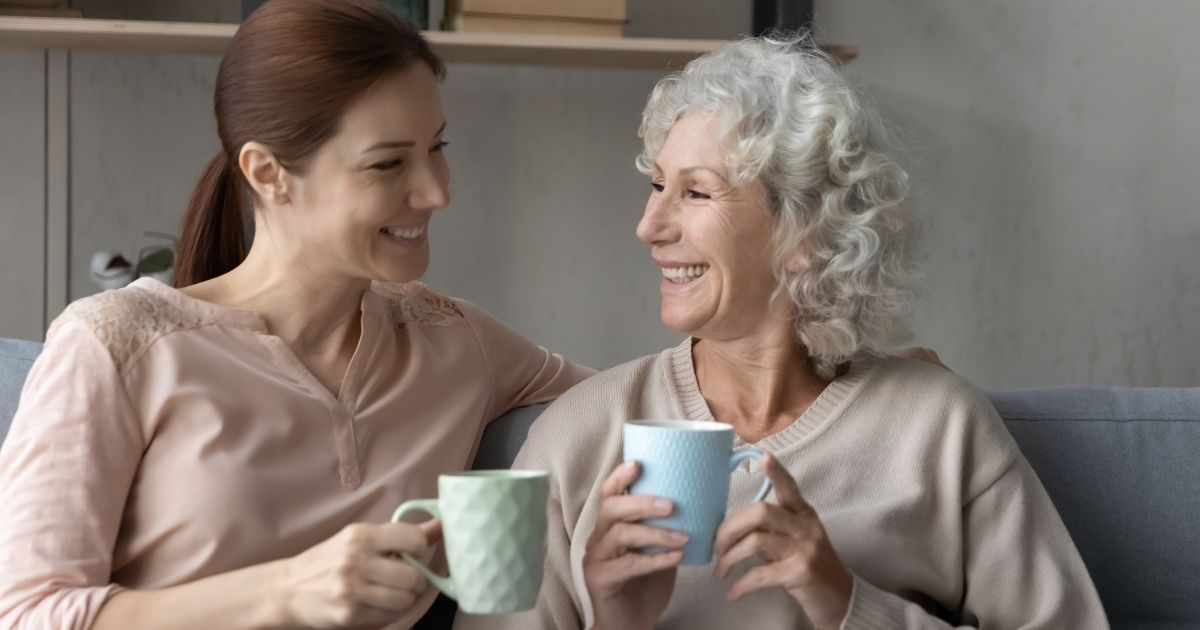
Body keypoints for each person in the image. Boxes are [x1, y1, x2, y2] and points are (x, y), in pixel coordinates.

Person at [459, 35, 1108, 629]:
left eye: (696, 194)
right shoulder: (578, 438)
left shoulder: (938, 428)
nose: (649, 225)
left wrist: (845, 601)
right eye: (657, 186)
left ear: (805, 232)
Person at [0, 2, 594, 628]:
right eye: (388, 163)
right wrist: (284, 591)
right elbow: (28, 612)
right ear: (268, 173)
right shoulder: (118, 345)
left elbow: (638, 402)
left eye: (436, 148)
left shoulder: (455, 340)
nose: (437, 191)